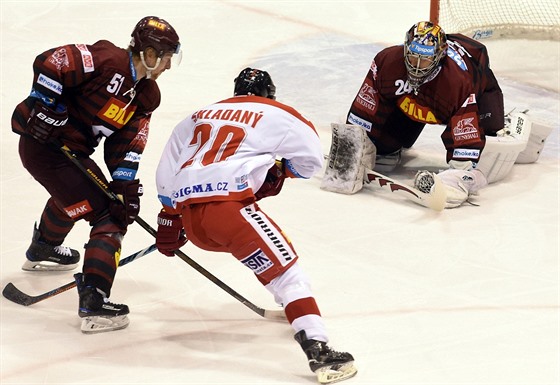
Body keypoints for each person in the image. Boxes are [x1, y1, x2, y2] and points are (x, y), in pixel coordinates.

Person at [154, 67, 357, 384]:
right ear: (268, 95)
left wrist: (169, 217)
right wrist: (282, 169)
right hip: (229, 213)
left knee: (274, 268)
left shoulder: (197, 116)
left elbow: (167, 171)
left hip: (195, 224)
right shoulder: (276, 112)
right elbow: (311, 159)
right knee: (289, 274)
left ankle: (291, 305)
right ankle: (319, 349)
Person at [11, 16, 181, 333]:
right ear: (151, 53)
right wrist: (47, 104)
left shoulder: (147, 96)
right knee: (108, 217)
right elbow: (53, 61)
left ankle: (44, 248)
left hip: (71, 156)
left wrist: (123, 185)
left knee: (91, 194)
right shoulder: (108, 59)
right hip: (46, 147)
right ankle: (94, 303)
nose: (169, 66)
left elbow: (126, 143)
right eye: (168, 56)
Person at [322, 21, 551, 208]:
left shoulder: (456, 83)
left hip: (479, 89)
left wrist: (460, 175)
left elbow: (464, 139)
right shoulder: (386, 63)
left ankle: (511, 124)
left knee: (487, 151)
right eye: (413, 58)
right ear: (405, 50)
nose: (418, 66)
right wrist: (356, 146)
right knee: (384, 149)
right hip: (419, 101)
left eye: (425, 59)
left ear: (439, 56)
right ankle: (390, 148)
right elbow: (366, 109)